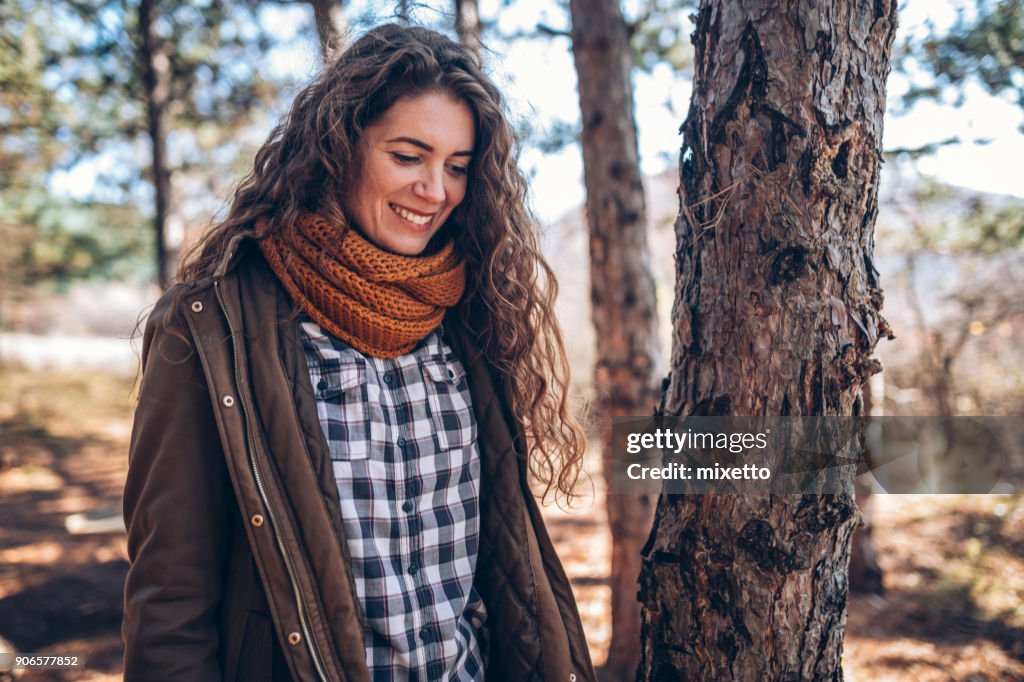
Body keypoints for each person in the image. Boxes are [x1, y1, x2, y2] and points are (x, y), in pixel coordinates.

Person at [122, 23, 597, 682]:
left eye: (457, 167)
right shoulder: (213, 326)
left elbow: (506, 565)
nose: (436, 191)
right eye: (408, 156)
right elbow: (171, 599)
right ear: (338, 147)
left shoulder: (473, 315)